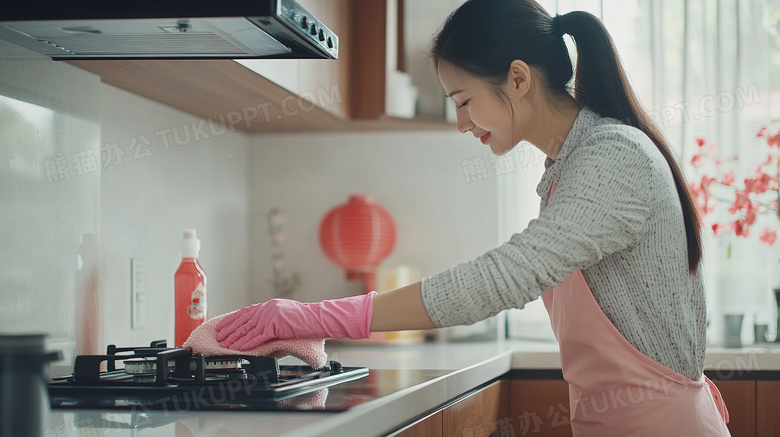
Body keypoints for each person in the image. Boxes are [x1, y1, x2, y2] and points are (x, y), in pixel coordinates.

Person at [213, 1, 731, 435]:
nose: (462, 123)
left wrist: (315, 316)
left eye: (464, 100)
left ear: (519, 78)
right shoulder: (568, 167)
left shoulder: (611, 157)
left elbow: (499, 280)